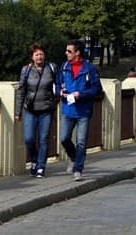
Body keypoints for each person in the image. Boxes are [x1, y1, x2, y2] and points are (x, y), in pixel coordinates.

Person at [59, 40, 102, 181]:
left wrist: (81, 94)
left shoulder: (89, 68)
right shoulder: (64, 67)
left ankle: (78, 170)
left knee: (81, 142)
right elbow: (58, 83)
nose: (66, 53)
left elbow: (97, 89)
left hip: (83, 110)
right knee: (64, 138)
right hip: (68, 108)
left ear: (77, 53)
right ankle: (73, 157)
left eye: (69, 51)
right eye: (66, 51)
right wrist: (60, 91)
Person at [15, 43, 60, 178]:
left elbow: (58, 85)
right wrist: (18, 112)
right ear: (32, 57)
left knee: (44, 139)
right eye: (36, 54)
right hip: (30, 109)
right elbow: (21, 90)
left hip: (47, 109)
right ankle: (34, 160)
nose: (39, 57)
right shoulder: (26, 70)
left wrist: (55, 100)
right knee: (29, 139)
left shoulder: (51, 68)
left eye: (41, 54)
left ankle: (41, 166)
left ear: (44, 55)